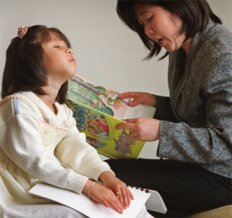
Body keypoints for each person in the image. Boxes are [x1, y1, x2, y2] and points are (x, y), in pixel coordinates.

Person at [0, 25, 152, 218]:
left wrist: (106, 176)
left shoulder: (62, 112)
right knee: (76, 213)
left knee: (134, 208)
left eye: (67, 46)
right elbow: (34, 160)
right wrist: (87, 186)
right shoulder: (19, 106)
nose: (69, 50)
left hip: (49, 184)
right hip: (20, 194)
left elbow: (78, 148)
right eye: (57, 46)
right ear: (32, 60)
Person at [106, 0, 232, 217]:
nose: (148, 31)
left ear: (179, 6)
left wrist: (161, 132)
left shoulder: (222, 56)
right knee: (106, 172)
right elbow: (198, 114)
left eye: (149, 19)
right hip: (198, 166)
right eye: (142, 25)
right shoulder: (183, 46)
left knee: (112, 183)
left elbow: (226, 143)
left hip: (223, 177)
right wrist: (156, 103)